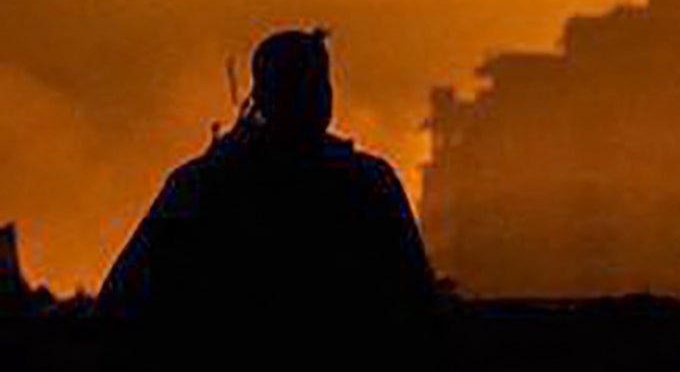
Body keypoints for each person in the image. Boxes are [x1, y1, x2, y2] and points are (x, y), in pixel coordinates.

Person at [100, 28, 435, 337]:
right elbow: (419, 308)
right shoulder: (367, 184)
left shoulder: (202, 184)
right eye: (308, 87)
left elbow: (122, 302)